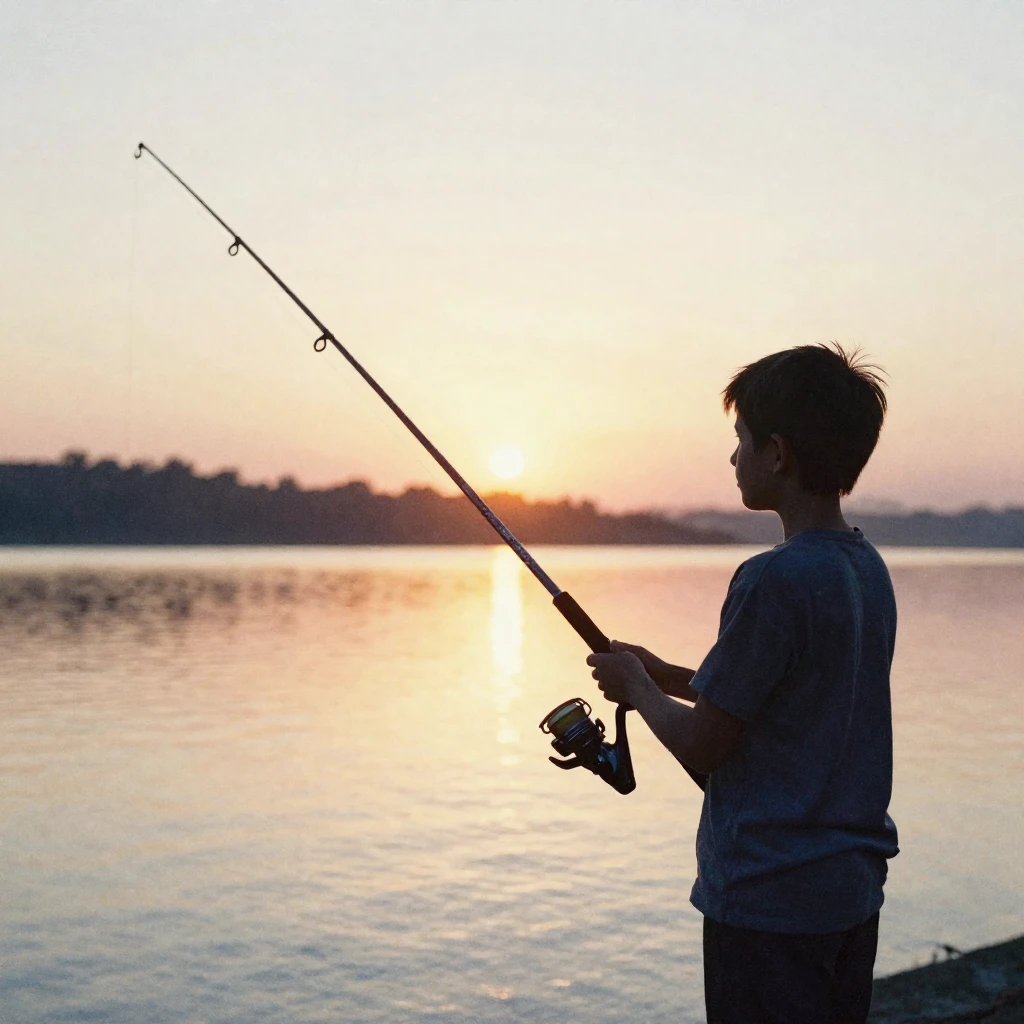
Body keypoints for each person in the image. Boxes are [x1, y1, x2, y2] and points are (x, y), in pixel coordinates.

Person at [587, 344, 899, 1024]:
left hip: (767, 902)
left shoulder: (771, 579)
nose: (733, 459)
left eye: (741, 441)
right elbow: (788, 695)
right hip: (848, 892)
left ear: (778, 455)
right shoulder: (865, 570)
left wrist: (640, 692)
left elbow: (704, 745)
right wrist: (662, 673)